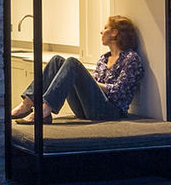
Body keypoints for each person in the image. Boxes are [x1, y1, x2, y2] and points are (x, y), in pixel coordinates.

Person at [10, 15, 144, 123]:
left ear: (114, 33)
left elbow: (119, 92)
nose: (101, 31)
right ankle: (27, 103)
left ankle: (45, 109)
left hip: (110, 111)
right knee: (57, 60)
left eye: (105, 28)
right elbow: (92, 86)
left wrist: (91, 83)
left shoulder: (131, 58)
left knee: (73, 63)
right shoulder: (104, 58)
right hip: (87, 108)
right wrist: (85, 81)